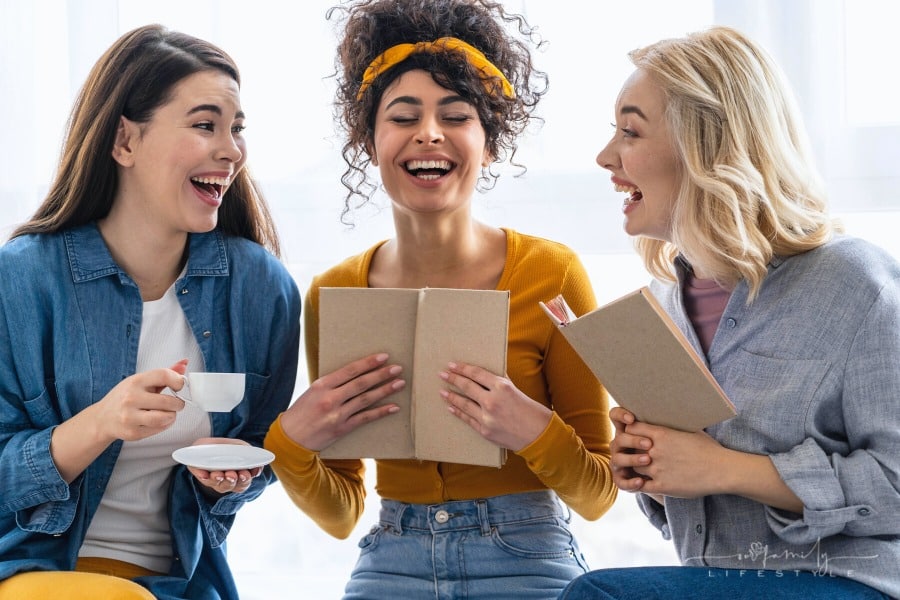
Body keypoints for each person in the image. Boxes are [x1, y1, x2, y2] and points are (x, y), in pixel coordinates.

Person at [262, 0, 617, 597]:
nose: (429, 132)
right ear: (369, 140)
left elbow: (598, 494)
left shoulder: (552, 274)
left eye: (455, 115)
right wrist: (289, 445)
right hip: (391, 556)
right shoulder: (334, 291)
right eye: (403, 116)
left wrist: (531, 430)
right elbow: (343, 511)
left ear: (489, 141)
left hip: (528, 553)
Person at [559, 26, 900, 600]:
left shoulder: (852, 282)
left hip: (850, 581)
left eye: (630, 132)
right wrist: (655, 469)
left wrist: (725, 469)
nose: (605, 156)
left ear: (705, 146)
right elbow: (696, 521)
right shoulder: (665, 302)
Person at [0, 25, 301, 600]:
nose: (231, 150)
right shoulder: (22, 279)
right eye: (204, 124)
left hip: (183, 583)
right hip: (32, 574)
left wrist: (229, 479)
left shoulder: (261, 288)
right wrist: (99, 423)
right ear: (125, 142)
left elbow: (259, 451)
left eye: (236, 130)